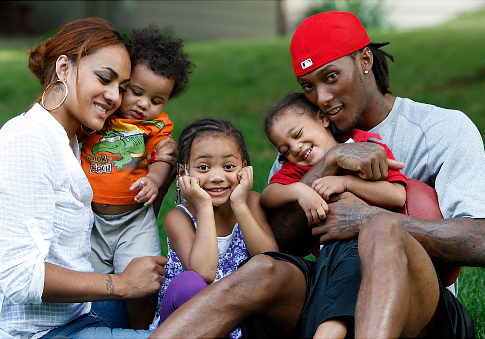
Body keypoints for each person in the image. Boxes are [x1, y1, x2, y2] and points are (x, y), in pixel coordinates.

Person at [152, 11, 484, 339]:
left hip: (421, 311)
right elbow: (275, 243)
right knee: (262, 268)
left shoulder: (441, 129)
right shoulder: (300, 149)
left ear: (365, 60)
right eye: (308, 86)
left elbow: (480, 240)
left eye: (332, 77)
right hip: (328, 295)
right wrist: (329, 163)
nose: (321, 98)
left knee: (383, 229)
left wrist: (368, 219)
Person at [0, 18, 166, 338]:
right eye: (105, 79)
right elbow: (20, 278)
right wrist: (122, 284)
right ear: (63, 68)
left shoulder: (76, 141)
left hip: (80, 313)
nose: (115, 96)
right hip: (39, 332)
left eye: (122, 86)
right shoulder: (26, 140)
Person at [261, 92, 406, 338]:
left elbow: (396, 196)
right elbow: (267, 196)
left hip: (379, 251)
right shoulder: (296, 172)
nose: (295, 148)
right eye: (284, 149)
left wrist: (347, 183)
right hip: (329, 260)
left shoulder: (363, 147)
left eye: (297, 134)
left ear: (322, 119)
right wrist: (298, 190)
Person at [80, 25, 193, 329]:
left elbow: (162, 159)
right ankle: (94, 328)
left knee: (146, 276)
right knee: (88, 283)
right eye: (137, 92)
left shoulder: (155, 128)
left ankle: (143, 329)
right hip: (92, 223)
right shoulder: (100, 114)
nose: (144, 104)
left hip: (134, 221)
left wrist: (155, 180)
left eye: (157, 100)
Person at [149, 118, 278, 338]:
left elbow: (271, 259)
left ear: (245, 169)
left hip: (240, 319)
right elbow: (204, 273)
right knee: (188, 283)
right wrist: (204, 207)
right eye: (203, 167)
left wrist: (240, 205)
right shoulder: (179, 218)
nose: (217, 177)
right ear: (184, 173)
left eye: (228, 166)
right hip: (186, 320)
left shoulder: (252, 203)